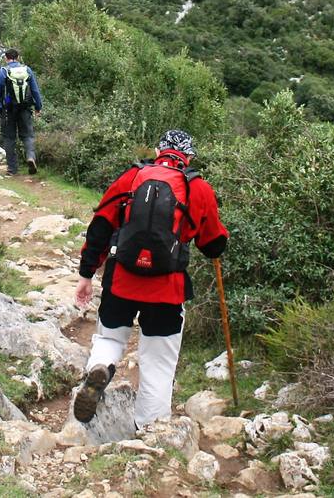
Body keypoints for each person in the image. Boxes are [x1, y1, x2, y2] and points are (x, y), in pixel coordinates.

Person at [72, 130, 228, 431]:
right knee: (158, 364)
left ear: (159, 151)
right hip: (167, 290)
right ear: (189, 157)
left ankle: (100, 368)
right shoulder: (198, 188)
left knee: (109, 338)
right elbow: (213, 245)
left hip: (122, 280)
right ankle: (150, 432)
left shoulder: (131, 177)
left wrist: (86, 274)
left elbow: (101, 226)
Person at [0, 48, 42, 175]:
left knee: (9, 138)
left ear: (6, 58)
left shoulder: (3, 72)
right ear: (18, 57)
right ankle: (30, 157)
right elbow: (35, 90)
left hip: (8, 110)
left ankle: (12, 169)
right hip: (25, 108)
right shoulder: (27, 70)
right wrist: (38, 106)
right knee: (28, 136)